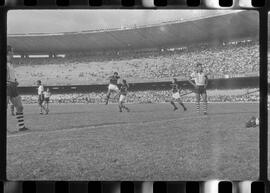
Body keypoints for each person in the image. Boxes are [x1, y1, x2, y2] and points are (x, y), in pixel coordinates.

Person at [6, 45, 28, 131]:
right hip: (7, 86)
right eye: (12, 51)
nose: (13, 52)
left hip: (13, 85)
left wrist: (15, 80)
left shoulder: (10, 63)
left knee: (20, 107)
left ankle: (21, 127)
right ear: (8, 52)